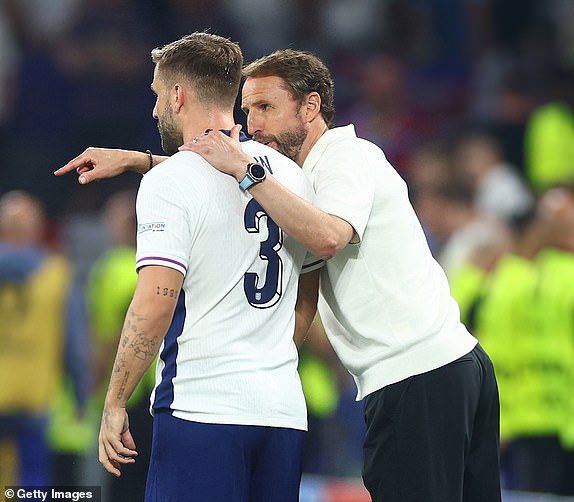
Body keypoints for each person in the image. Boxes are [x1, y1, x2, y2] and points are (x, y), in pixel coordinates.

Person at [56, 48, 501, 502]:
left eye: (266, 108)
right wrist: (141, 161)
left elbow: (324, 235)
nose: (253, 126)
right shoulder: (296, 178)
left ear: (311, 107)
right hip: (314, 401)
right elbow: (226, 177)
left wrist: (113, 402)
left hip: (411, 376)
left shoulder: (343, 158)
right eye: (247, 111)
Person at [73, 34, 314, 502]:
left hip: (202, 409)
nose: (154, 108)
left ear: (178, 95)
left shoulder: (171, 182)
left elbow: (155, 303)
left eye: (157, 95)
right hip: (283, 412)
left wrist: (116, 400)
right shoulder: (289, 177)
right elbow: (310, 284)